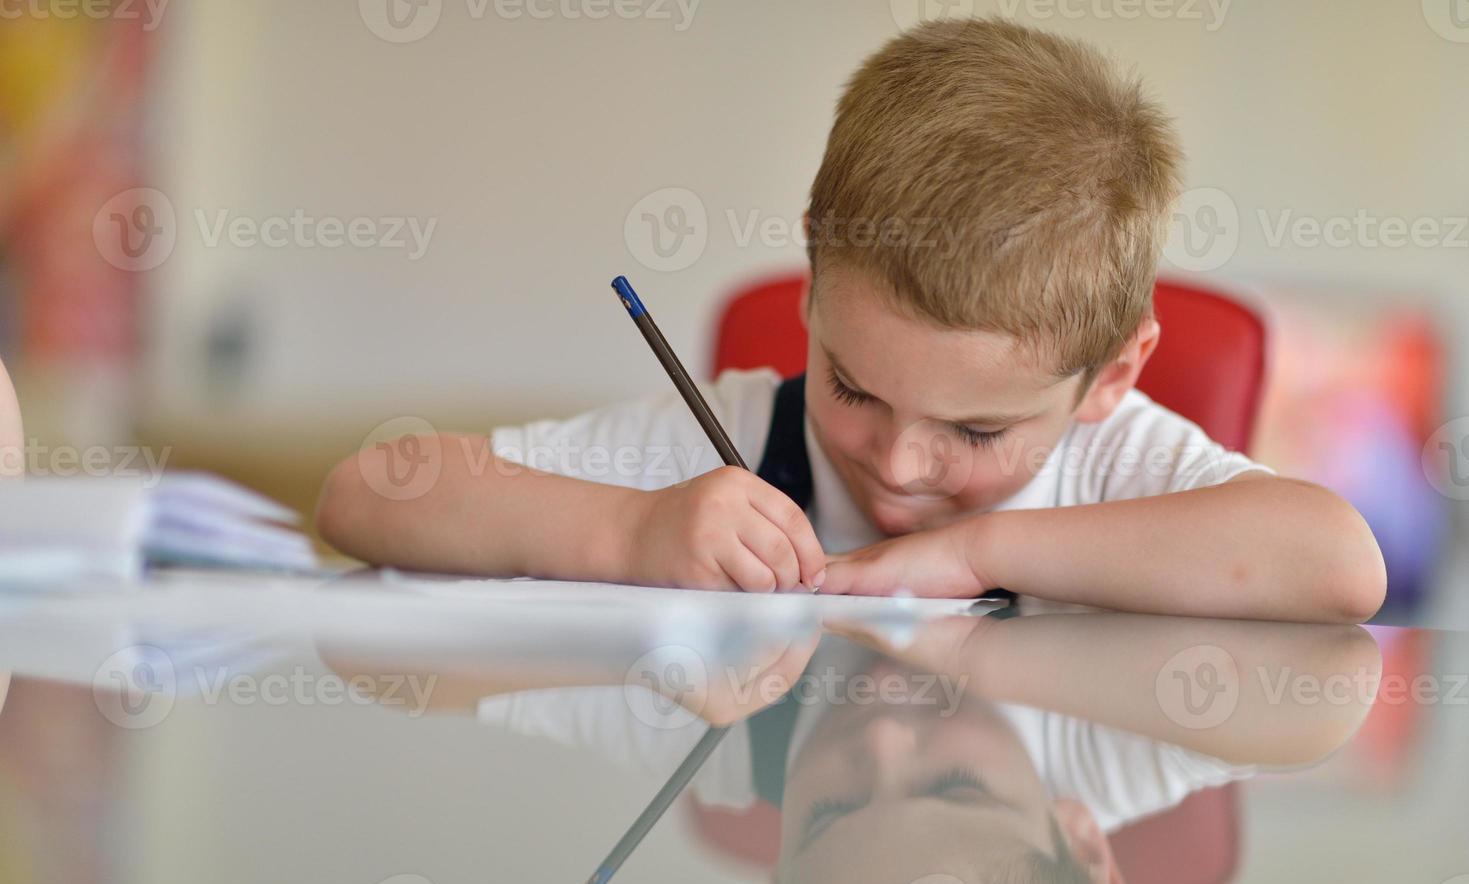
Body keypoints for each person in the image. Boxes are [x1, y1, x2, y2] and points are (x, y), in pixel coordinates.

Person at [316, 18, 1384, 624]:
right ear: (810, 290)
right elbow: (368, 490)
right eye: (854, 387)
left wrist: (979, 551)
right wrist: (632, 531)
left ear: (1109, 376)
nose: (901, 464)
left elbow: (1338, 565)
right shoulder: (732, 442)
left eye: (975, 432)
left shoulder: (1112, 464)